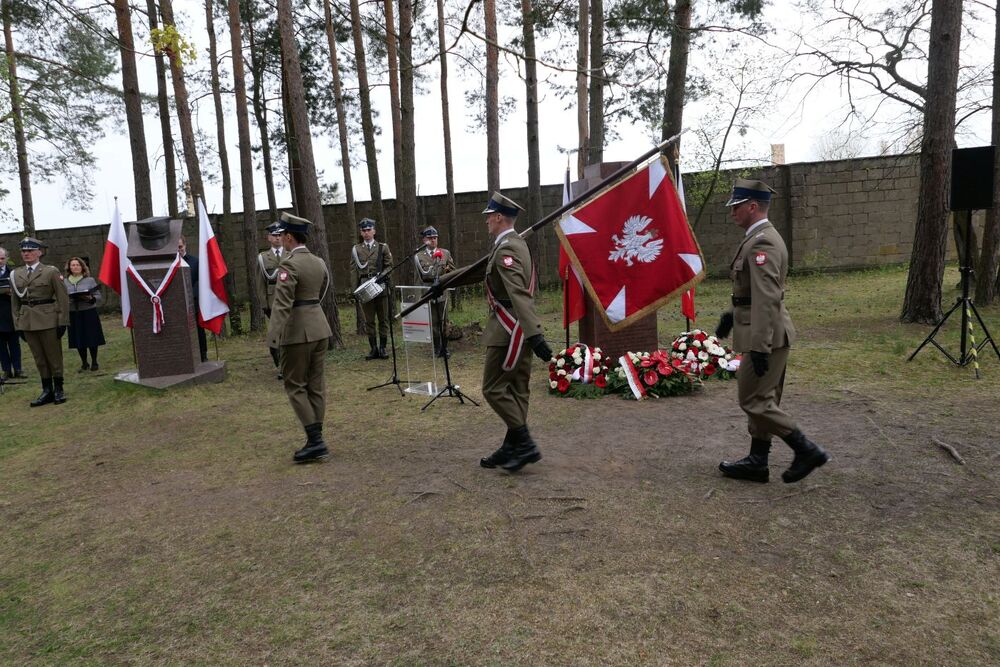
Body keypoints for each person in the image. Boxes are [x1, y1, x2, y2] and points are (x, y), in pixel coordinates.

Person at [714, 178, 830, 484]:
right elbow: (758, 292)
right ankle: (757, 461)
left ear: (752, 207)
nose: (732, 213)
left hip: (765, 335)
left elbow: (767, 298)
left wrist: (761, 346)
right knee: (764, 398)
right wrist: (732, 314)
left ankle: (806, 449)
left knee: (754, 400)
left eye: (736, 207)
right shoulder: (760, 237)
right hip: (765, 329)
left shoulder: (763, 241)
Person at [435, 192, 553, 472]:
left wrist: (535, 334)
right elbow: (480, 271)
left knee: (493, 387)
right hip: (519, 326)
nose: (486, 221)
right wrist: (442, 282)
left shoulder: (507, 248)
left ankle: (524, 443)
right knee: (517, 387)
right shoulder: (512, 244)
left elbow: (518, 293)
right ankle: (512, 446)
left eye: (489, 216)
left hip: (509, 328)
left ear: (499, 217)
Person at [267, 212, 333, 463]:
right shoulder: (319, 262)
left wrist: (273, 338)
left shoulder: (289, 264)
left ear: (289, 237)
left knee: (295, 385)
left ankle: (315, 442)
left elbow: (282, 305)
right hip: (320, 328)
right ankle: (316, 438)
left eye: (283, 235)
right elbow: (324, 289)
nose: (281, 239)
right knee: (315, 384)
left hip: (298, 333)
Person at [9, 237, 70, 406]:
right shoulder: (16, 274)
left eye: (30, 251)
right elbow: (14, 301)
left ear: (39, 252)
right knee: (39, 358)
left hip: (48, 319)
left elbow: (62, 298)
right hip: (27, 321)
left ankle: (59, 389)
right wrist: (17, 324)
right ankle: (46, 390)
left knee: (53, 356)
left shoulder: (50, 271)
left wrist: (63, 321)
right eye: (23, 251)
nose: (26, 254)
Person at [350, 218, 393, 360]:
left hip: (380, 286)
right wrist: (354, 290)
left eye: (369, 230)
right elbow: (353, 270)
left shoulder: (382, 247)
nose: (367, 232)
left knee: (383, 319)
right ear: (361, 233)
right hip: (364, 287)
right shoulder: (356, 249)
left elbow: (389, 266)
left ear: (374, 231)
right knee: (369, 320)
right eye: (364, 230)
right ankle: (373, 348)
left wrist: (382, 276)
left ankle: (383, 348)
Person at [413, 226, 456, 357]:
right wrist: (419, 296)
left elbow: (453, 270)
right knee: (433, 322)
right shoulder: (419, 256)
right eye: (430, 238)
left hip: (442, 291)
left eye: (435, 238)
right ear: (424, 239)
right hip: (429, 291)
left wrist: (447, 273)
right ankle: (437, 348)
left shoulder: (445, 253)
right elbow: (418, 277)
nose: (433, 241)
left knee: (444, 321)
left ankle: (445, 348)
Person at [63, 257, 106, 372]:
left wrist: (91, 298)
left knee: (91, 337)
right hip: (73, 313)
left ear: (82, 267)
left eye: (77, 265)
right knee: (78, 338)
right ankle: (84, 362)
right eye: (73, 265)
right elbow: (61, 298)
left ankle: (94, 361)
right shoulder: (65, 282)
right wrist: (67, 301)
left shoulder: (90, 280)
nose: (75, 267)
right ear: (69, 267)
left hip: (88, 312)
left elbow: (98, 296)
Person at [256, 222, 284, 376]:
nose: (278, 238)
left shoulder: (291, 254)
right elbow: (260, 283)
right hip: (272, 300)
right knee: (275, 334)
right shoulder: (263, 258)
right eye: (274, 235)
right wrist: (264, 304)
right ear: (269, 237)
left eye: (280, 235)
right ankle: (279, 364)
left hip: (290, 299)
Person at [178, 235, 208, 363]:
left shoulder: (195, 262)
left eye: (180, 246)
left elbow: (199, 281)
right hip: (177, 304)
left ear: (185, 245)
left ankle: (203, 354)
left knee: (198, 330)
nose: (178, 250)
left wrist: (191, 296)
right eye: (176, 247)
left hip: (193, 303)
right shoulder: (170, 264)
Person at [0, 246, 25, 380]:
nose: (0, 261)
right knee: (1, 346)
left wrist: (12, 293)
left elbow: (22, 291)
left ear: (7, 259)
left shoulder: (13, 274)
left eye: (2, 258)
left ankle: (18, 369)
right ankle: (6, 370)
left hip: (11, 313)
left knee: (14, 343)